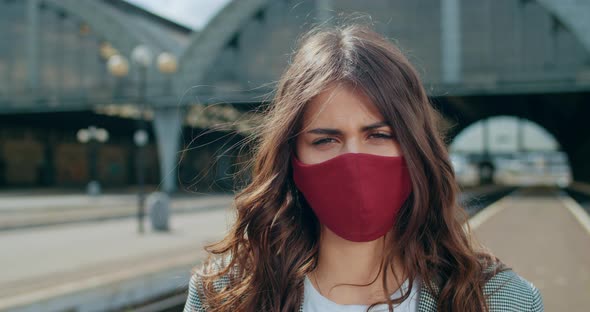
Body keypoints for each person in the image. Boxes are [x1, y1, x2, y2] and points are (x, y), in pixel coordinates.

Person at [183, 24, 544, 312]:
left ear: (416, 148)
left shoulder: (503, 300)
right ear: (291, 159)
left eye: (379, 135)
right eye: (325, 140)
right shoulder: (221, 297)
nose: (353, 161)